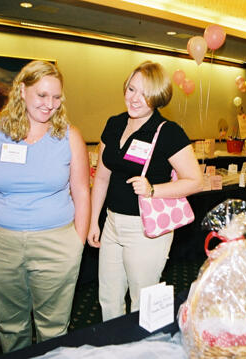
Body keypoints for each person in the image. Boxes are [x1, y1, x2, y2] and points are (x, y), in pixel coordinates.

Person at [0, 60, 90, 352]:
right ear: (22, 91)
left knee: (54, 326)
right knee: (11, 325)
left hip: (57, 243)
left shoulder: (69, 136)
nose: (50, 104)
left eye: (56, 97)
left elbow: (81, 191)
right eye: (42, 95)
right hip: (1, 243)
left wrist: (76, 242)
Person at [87, 61, 202, 321]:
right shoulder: (114, 124)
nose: (135, 99)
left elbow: (195, 181)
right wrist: (95, 220)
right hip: (112, 223)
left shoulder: (168, 132)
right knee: (108, 297)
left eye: (144, 93)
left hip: (146, 229)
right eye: (131, 89)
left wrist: (153, 190)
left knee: (142, 301)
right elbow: (102, 177)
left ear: (157, 97)